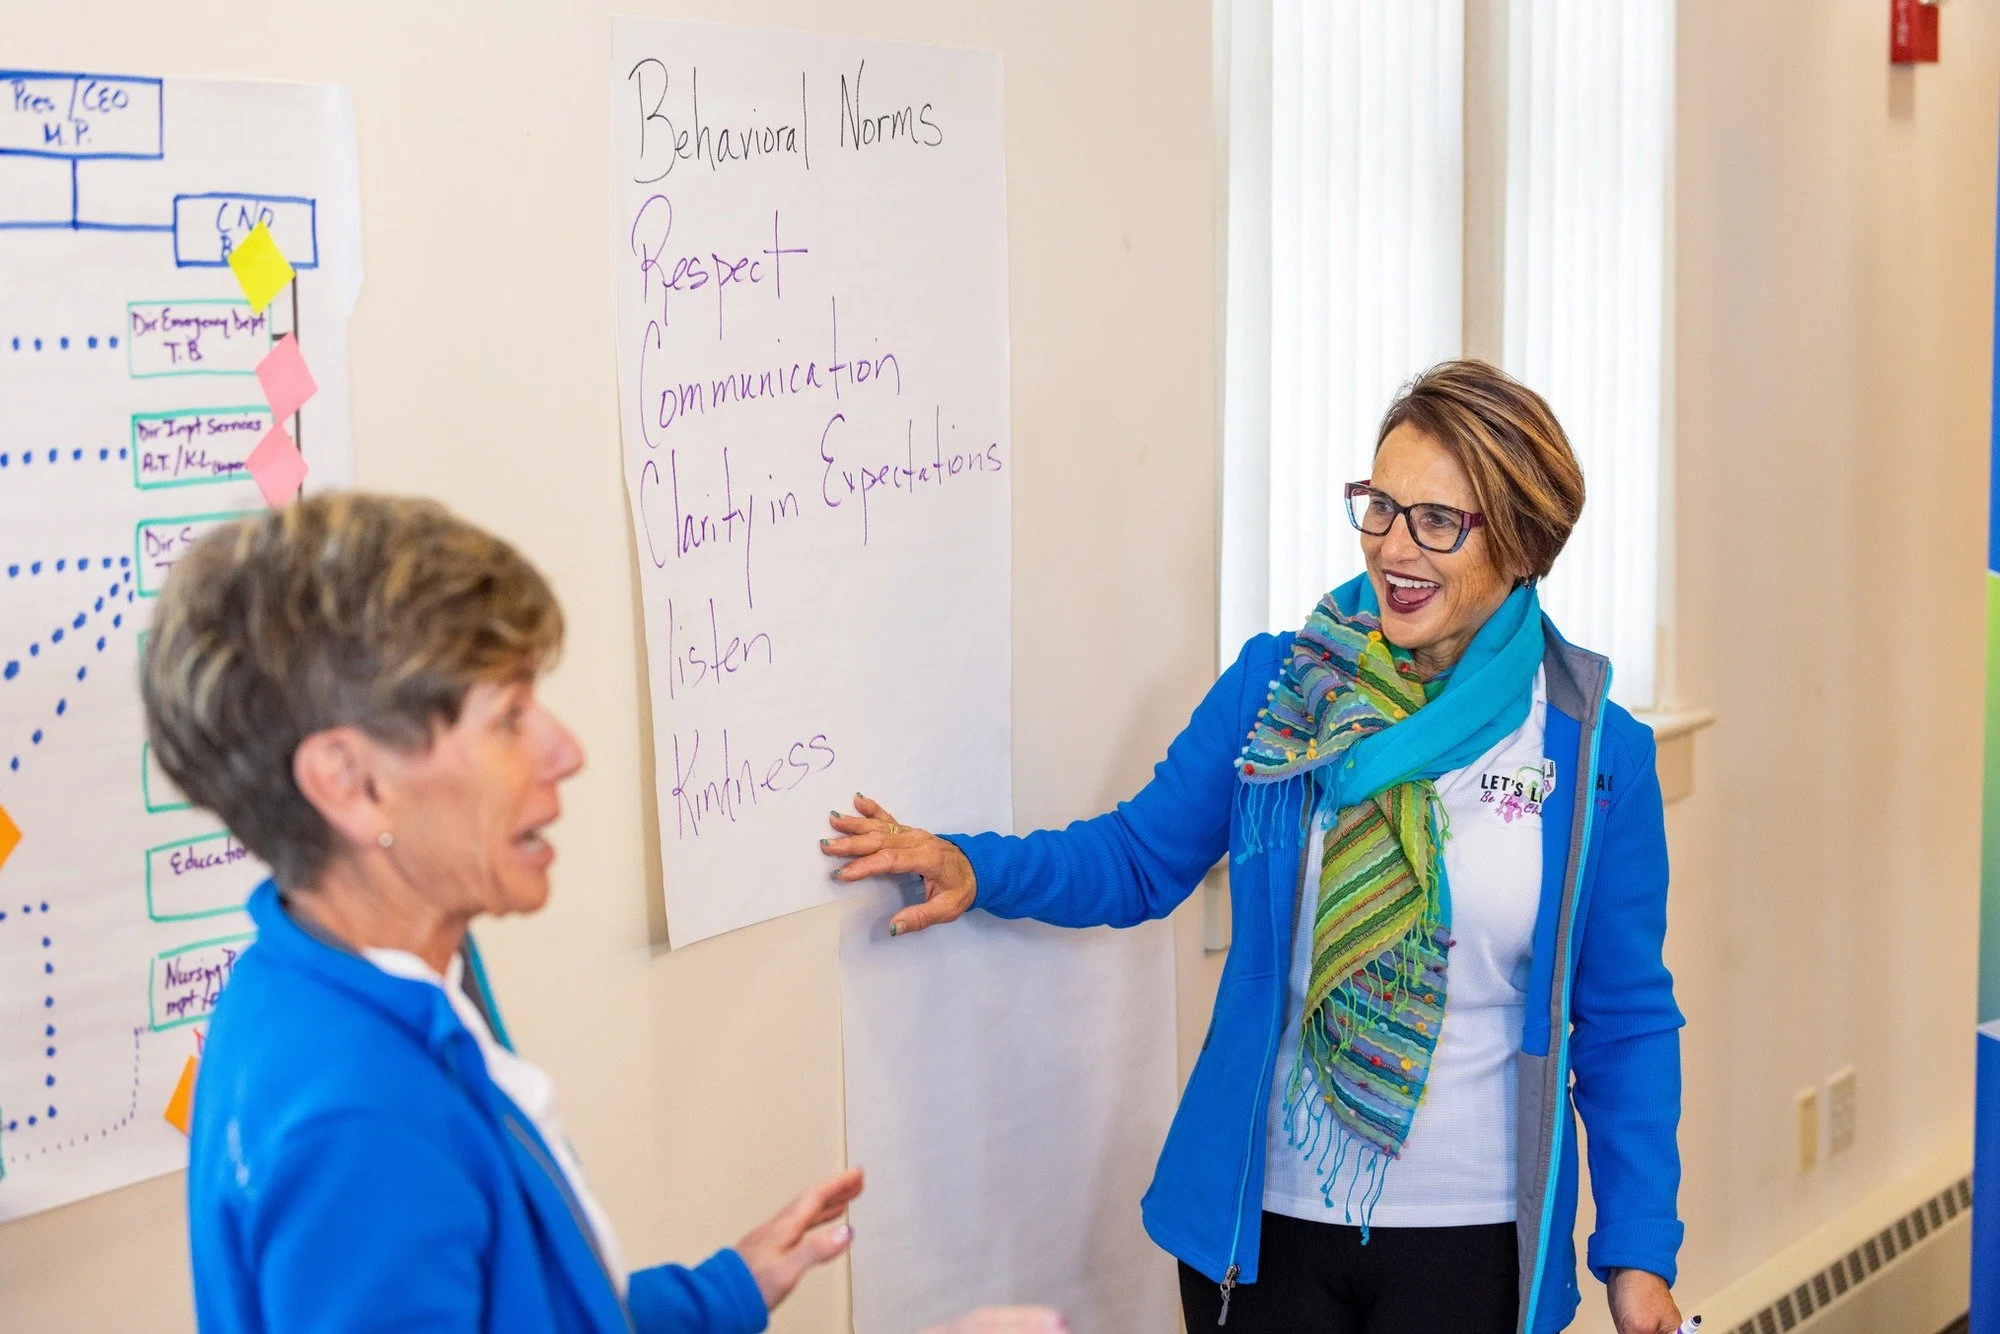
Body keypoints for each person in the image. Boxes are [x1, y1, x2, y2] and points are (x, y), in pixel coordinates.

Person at [823, 360, 1686, 1334]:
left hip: (1473, 1239)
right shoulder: (1282, 689)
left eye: (1436, 521)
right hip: (1265, 1229)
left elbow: (1622, 1022)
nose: (1393, 548)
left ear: (1524, 540)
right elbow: (1137, 859)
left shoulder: (1591, 750)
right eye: (1379, 507)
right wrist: (973, 864)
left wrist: (1636, 1251)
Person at [143, 494, 1065, 1334]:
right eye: (508, 718)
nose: (566, 750)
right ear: (351, 784)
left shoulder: (335, 976)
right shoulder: (359, 1132)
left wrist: (722, 1292)